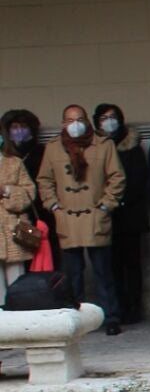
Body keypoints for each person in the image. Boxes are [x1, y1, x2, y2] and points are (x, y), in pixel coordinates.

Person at [37, 105, 127, 335]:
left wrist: (106, 205)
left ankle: (111, 317)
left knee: (103, 273)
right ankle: (75, 318)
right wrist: (53, 205)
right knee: (72, 275)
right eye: (70, 120)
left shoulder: (104, 145)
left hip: (95, 216)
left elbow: (117, 177)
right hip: (67, 217)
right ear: (63, 123)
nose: (75, 125)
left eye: (79, 119)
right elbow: (44, 180)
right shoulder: (53, 148)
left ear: (87, 121)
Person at [92, 104, 149, 324]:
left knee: (132, 264)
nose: (109, 121)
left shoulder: (131, 144)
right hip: (106, 215)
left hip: (130, 214)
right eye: (104, 118)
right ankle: (117, 307)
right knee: (110, 265)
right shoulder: (95, 147)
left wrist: (121, 200)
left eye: (113, 117)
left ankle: (134, 307)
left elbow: (139, 178)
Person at [2, 151, 38, 302]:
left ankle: (18, 311)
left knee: (17, 283)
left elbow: (29, 192)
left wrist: (7, 190)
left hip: (12, 229)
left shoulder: (14, 162)